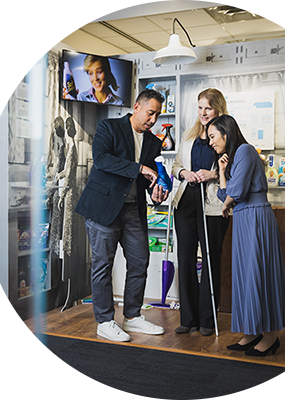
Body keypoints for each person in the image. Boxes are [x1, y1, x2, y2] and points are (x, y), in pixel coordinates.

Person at [75, 89, 169, 342]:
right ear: (137, 107)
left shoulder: (153, 141)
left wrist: (156, 193)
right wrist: (138, 167)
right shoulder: (109, 127)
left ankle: (132, 316)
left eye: (157, 115)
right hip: (102, 208)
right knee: (102, 265)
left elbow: (149, 179)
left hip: (132, 210)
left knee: (140, 262)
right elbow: (102, 159)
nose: (153, 120)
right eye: (150, 113)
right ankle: (104, 321)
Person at [207, 114, 285, 356]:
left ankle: (271, 336)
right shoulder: (234, 158)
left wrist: (227, 202)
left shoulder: (244, 150)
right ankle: (252, 331)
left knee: (259, 273)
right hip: (245, 217)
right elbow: (227, 195)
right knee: (245, 275)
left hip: (255, 217)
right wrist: (222, 171)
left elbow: (234, 193)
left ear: (226, 133)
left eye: (213, 136)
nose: (211, 142)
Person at [171, 89, 230, 336]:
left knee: (210, 260)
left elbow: (236, 168)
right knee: (185, 259)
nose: (203, 113)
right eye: (200, 108)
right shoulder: (189, 136)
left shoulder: (227, 135)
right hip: (185, 202)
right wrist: (184, 173)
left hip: (213, 206)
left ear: (218, 109)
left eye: (208, 108)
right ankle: (188, 319)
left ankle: (207, 319)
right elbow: (175, 166)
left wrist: (213, 174)